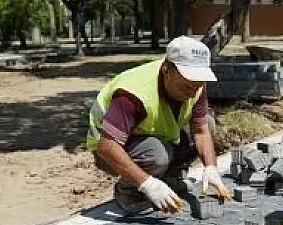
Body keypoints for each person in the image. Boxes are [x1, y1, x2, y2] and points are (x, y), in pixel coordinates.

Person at [86, 35, 231, 215]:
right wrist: (148, 185)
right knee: (157, 154)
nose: (192, 91)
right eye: (186, 86)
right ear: (166, 70)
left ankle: (169, 178)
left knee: (207, 122)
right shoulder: (133, 93)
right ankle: (129, 193)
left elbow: (201, 131)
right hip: (109, 149)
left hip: (150, 132)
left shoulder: (195, 85)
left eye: (197, 85)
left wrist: (211, 167)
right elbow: (106, 146)